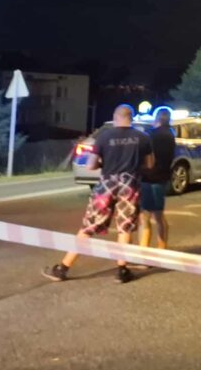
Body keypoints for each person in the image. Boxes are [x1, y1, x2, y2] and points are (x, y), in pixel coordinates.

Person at [42, 104, 153, 284]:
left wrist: (104, 163)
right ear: (131, 118)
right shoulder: (143, 137)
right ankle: (122, 270)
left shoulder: (104, 136)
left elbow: (90, 165)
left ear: (115, 118)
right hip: (130, 186)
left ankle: (63, 268)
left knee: (89, 226)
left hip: (106, 186)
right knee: (124, 227)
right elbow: (149, 164)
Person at [138, 106, 176, 250]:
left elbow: (144, 156)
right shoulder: (171, 134)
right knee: (159, 215)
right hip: (162, 178)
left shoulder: (151, 135)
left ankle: (144, 250)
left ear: (157, 119)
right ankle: (162, 246)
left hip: (148, 178)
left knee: (144, 217)